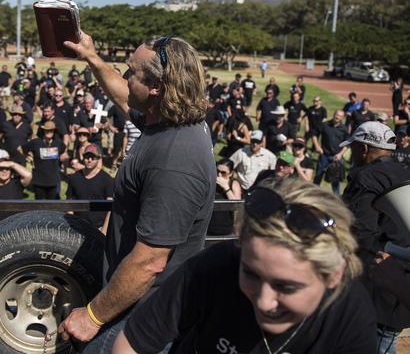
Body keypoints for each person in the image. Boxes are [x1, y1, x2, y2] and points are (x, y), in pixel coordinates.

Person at [57, 33, 215, 352]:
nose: (126, 77)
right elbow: (123, 96)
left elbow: (150, 262)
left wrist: (92, 316)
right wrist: (92, 57)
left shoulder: (175, 158)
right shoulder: (164, 120)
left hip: (145, 317)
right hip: (129, 301)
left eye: (131, 71)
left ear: (156, 87)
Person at [112, 179, 377, 354]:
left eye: (286, 286)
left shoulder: (350, 314)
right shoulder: (216, 266)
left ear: (334, 275)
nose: (263, 301)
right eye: (250, 273)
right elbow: (133, 342)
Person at [339, 121, 410, 353]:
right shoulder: (405, 170)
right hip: (400, 290)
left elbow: (360, 233)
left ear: (364, 148)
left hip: (374, 290)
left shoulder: (365, 177)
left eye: (354, 147)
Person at [66, 144, 114, 230]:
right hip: (78, 226)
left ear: (99, 158)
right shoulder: (74, 178)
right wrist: (71, 226)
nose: (89, 160)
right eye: (87, 157)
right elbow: (70, 203)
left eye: (93, 157)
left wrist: (104, 230)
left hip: (99, 227)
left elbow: (110, 208)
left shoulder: (107, 180)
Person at [21, 121, 67, 200]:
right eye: (47, 130)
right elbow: (20, 149)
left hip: (53, 180)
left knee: (51, 206)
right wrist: (29, 157)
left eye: (51, 130)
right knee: (39, 206)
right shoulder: (36, 142)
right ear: (43, 131)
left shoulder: (58, 143)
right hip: (39, 180)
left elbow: (63, 151)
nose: (49, 132)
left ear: (54, 132)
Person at [312, 110, 348, 196]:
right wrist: (317, 146)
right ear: (334, 114)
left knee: (335, 180)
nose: (337, 117)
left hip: (336, 157)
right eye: (336, 114)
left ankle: (337, 198)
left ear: (342, 118)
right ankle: (312, 194)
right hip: (324, 155)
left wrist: (340, 154)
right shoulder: (325, 125)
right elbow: (314, 134)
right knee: (318, 176)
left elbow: (347, 144)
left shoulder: (344, 129)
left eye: (339, 116)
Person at [207, 158, 242, 236]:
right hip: (208, 226)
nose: (219, 175)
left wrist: (226, 188)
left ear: (230, 174)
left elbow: (237, 206)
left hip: (225, 228)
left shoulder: (233, 184)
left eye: (223, 173)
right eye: (217, 171)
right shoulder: (210, 181)